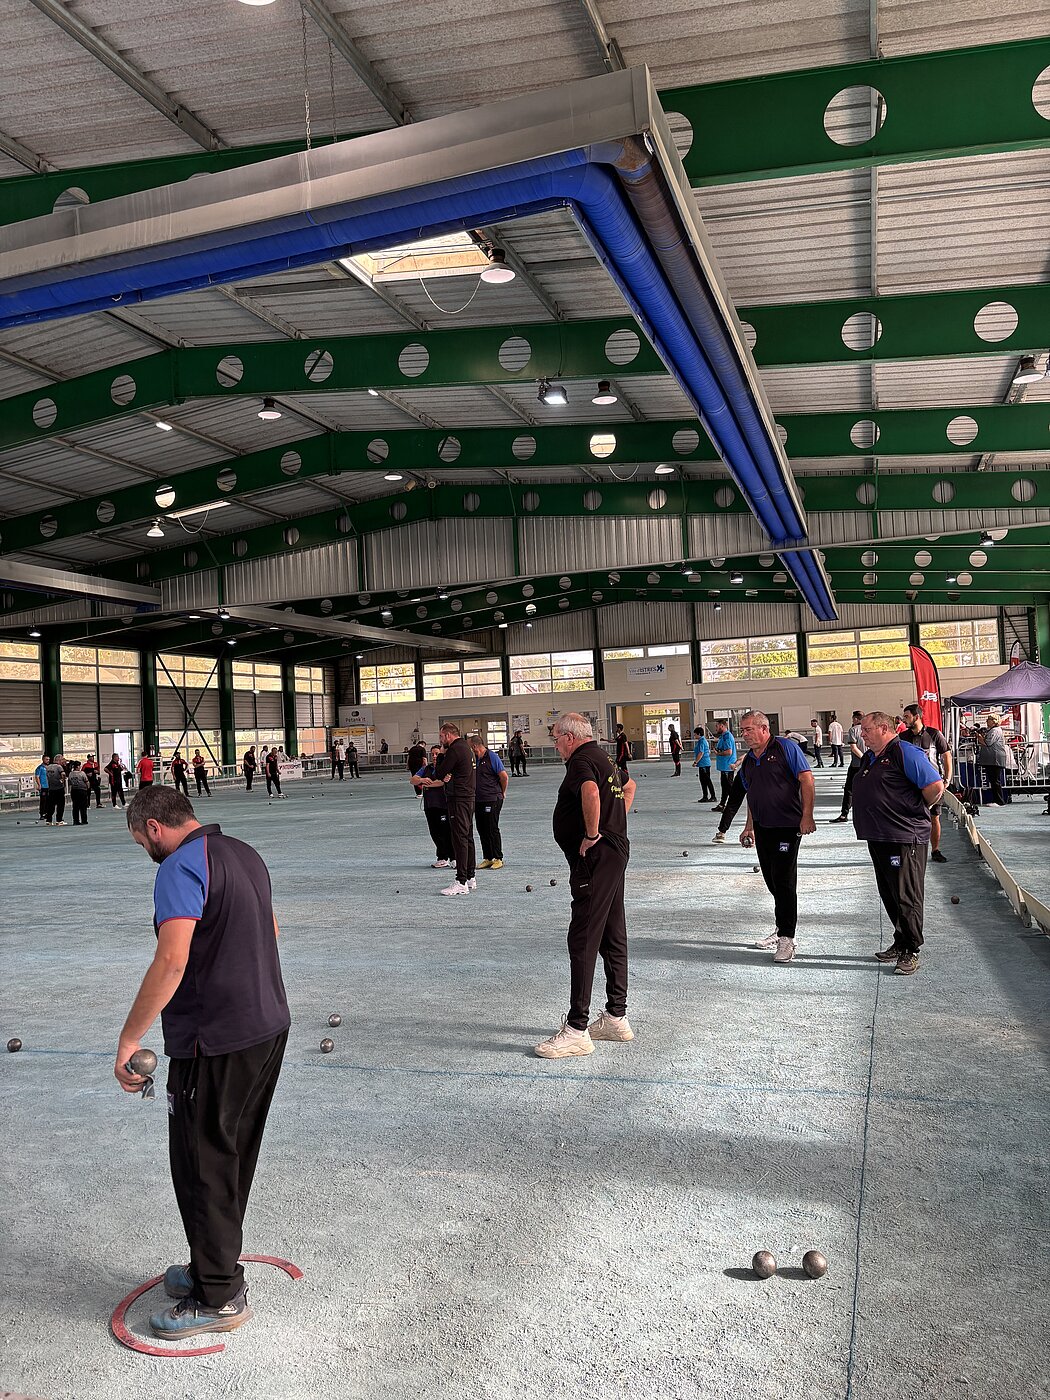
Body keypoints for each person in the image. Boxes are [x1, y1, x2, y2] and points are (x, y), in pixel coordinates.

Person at [114, 785, 290, 1339]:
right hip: (266, 1026)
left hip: (214, 1040)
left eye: (140, 839)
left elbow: (171, 960)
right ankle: (211, 1265)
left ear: (155, 828)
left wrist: (128, 1038)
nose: (144, 848)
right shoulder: (244, 852)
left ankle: (218, 1295)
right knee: (229, 1155)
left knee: (201, 1162)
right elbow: (272, 930)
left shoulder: (177, 869)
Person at [535, 712, 637, 1059]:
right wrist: (615, 823)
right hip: (614, 852)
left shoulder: (581, 760)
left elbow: (591, 793)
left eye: (555, 738)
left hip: (596, 858)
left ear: (569, 737)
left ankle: (577, 1027)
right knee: (612, 932)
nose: (555, 745)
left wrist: (594, 834)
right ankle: (615, 1016)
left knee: (582, 938)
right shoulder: (603, 756)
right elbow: (629, 786)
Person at [850, 711, 944, 976]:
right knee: (889, 893)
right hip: (878, 836)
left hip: (904, 836)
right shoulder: (870, 756)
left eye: (866, 730)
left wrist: (915, 809)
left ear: (882, 728)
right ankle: (901, 939)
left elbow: (935, 787)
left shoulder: (906, 752)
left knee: (907, 894)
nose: (862, 734)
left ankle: (912, 948)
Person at [737, 712, 815, 965]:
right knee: (771, 880)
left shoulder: (786, 747)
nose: (745, 735)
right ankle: (782, 927)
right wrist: (749, 827)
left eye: (749, 729)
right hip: (763, 826)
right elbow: (752, 795)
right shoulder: (749, 761)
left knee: (783, 881)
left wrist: (807, 816)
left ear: (764, 728)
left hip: (787, 826)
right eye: (743, 730)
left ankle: (787, 938)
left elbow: (807, 780)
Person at [420, 723, 476, 895]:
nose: (440, 740)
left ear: (448, 735)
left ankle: (461, 881)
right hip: (468, 797)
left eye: (441, 737)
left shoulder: (454, 750)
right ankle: (470, 877)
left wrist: (443, 756)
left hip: (458, 799)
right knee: (467, 837)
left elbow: (439, 773)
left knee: (459, 838)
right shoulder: (466, 748)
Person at [900, 704, 952, 862]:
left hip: (932, 783)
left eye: (907, 716)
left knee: (934, 817)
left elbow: (946, 756)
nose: (904, 719)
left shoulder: (934, 734)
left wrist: (947, 779)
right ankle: (911, 850)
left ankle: (935, 850)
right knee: (909, 818)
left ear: (917, 716)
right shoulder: (902, 737)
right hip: (910, 785)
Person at [412, 744, 455, 868]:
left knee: (447, 832)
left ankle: (453, 857)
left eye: (437, 754)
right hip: (430, 806)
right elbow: (413, 779)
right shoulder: (426, 768)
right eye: (433, 754)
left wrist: (426, 784)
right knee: (434, 832)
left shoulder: (446, 767)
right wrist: (421, 780)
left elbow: (441, 782)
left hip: (443, 805)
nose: (435, 756)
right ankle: (442, 857)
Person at [471, 734, 509, 870]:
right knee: (481, 828)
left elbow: (504, 777)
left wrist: (502, 792)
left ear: (475, 746)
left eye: (471, 746)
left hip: (493, 798)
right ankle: (488, 857)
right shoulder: (475, 759)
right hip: (479, 799)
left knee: (492, 828)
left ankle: (498, 858)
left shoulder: (492, 757)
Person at [830, 711, 865, 822]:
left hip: (856, 764)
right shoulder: (870, 729)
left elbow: (854, 748)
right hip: (869, 764)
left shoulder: (853, 730)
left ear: (855, 719)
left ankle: (844, 814)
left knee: (849, 789)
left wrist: (863, 759)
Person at [977, 715, 1014, 806]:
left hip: (995, 759)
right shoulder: (993, 730)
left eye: (988, 720)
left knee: (995, 781)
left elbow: (987, 743)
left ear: (993, 721)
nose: (986, 721)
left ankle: (999, 801)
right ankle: (997, 800)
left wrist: (979, 737)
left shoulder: (995, 731)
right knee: (993, 780)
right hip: (992, 759)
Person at [711, 769, 747, 844]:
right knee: (759, 805)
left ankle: (721, 833)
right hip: (751, 775)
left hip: (745, 773)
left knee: (732, 805)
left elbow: (743, 758)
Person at [712, 719, 737, 811]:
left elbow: (728, 751)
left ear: (722, 726)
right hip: (724, 766)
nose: (716, 728)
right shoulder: (723, 736)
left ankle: (732, 806)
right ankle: (722, 804)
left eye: (717, 726)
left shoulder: (727, 737)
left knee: (729, 787)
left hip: (728, 766)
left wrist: (718, 753)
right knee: (725, 787)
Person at [692, 727, 716, 803]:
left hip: (704, 764)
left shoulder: (702, 741)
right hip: (702, 764)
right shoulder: (701, 741)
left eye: (695, 734)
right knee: (703, 781)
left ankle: (713, 796)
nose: (694, 736)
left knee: (707, 780)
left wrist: (696, 762)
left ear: (699, 734)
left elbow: (701, 753)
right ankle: (705, 796)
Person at [42, 754, 67, 825]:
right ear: (59, 760)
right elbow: (63, 774)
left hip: (51, 788)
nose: (63, 761)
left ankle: (48, 820)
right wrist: (62, 780)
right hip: (59, 788)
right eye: (62, 760)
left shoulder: (48, 767)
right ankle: (59, 820)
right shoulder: (59, 767)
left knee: (50, 805)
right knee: (60, 805)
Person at [68, 760, 90, 826]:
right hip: (82, 790)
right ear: (77, 766)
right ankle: (84, 820)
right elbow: (86, 781)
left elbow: (69, 782)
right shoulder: (82, 773)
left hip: (74, 790)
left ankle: (76, 820)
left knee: (75, 806)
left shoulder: (71, 773)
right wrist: (88, 788)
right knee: (83, 806)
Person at [34, 753, 49, 824]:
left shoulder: (49, 767)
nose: (48, 760)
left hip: (49, 786)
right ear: (43, 759)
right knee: (43, 800)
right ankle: (42, 813)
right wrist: (39, 785)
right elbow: (37, 777)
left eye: (48, 759)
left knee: (48, 800)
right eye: (46, 759)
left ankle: (47, 813)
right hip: (43, 786)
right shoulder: (40, 768)